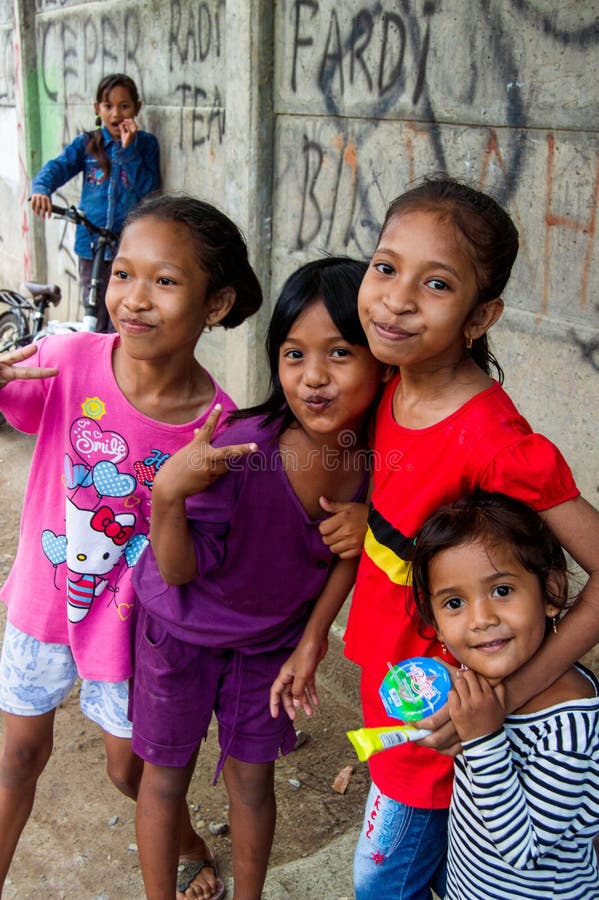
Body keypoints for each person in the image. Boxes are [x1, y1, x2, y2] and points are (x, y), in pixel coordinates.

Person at [296, 177, 599, 899]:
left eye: (435, 283)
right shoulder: (392, 384)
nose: (396, 299)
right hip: (394, 691)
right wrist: (367, 525)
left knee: (381, 884)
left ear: (478, 315)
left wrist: (512, 693)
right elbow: (418, 521)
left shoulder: (495, 440)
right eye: (385, 266)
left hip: (441, 722)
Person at [0, 193, 263, 900]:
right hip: (41, 604)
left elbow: (200, 561)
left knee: (130, 772)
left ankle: (186, 843)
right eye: (122, 273)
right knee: (16, 759)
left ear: (217, 303)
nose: (134, 299)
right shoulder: (62, 358)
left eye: (166, 281)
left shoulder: (224, 432)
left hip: (132, 630)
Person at [129, 257, 389, 900]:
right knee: (164, 776)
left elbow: (344, 557)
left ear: (383, 361)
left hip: (269, 645)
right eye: (294, 353)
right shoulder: (240, 451)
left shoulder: (373, 460)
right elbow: (179, 569)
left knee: (252, 781)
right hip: (180, 631)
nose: (314, 377)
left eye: (340, 353)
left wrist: (312, 640)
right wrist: (167, 495)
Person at [411, 490, 599, 899]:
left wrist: (482, 739)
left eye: (502, 591)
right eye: (455, 602)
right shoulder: (482, 680)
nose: (482, 620)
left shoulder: (570, 725)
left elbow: (524, 847)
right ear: (437, 625)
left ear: (550, 591)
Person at [30, 73, 160, 333]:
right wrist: (42, 189)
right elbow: (57, 167)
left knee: (125, 317)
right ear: (97, 109)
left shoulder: (146, 145)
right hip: (91, 246)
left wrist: (129, 150)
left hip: (129, 248)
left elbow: (150, 191)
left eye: (124, 106)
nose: (116, 114)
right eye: (108, 106)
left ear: (137, 107)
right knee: (95, 315)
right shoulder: (87, 143)